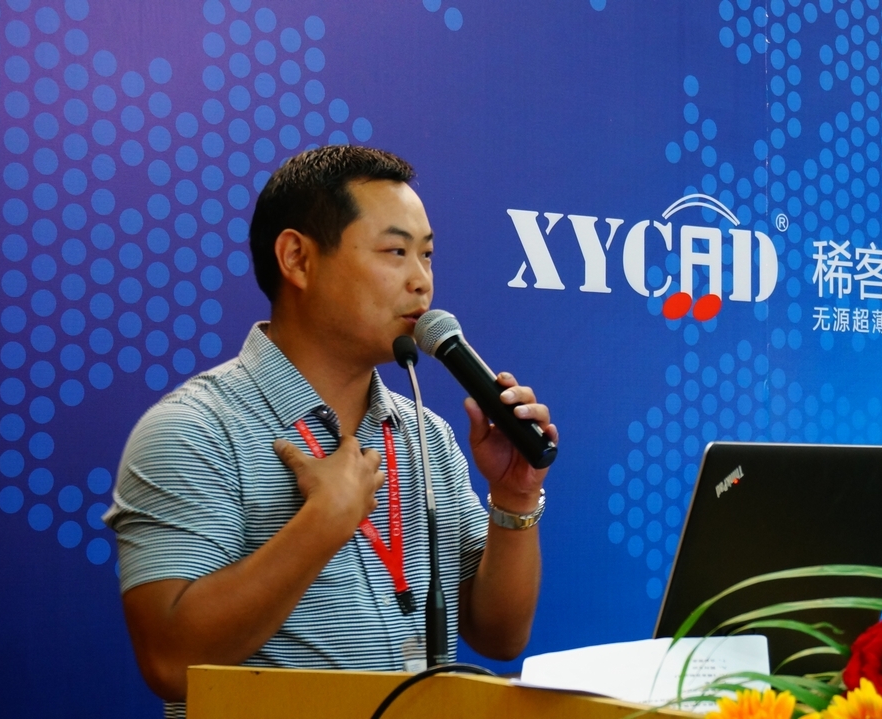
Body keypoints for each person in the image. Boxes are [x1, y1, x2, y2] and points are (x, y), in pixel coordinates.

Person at [104, 145, 553, 714]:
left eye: (427, 255)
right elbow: (170, 662)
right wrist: (323, 524)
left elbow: (499, 636)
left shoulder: (427, 434)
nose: (421, 282)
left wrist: (514, 498)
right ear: (297, 258)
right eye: (395, 252)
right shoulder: (194, 430)